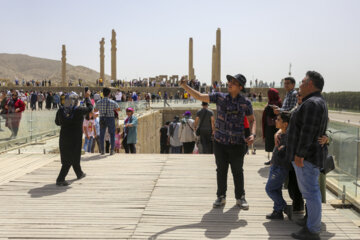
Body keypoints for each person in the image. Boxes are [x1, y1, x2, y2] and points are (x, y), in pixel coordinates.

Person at [179, 74, 256, 210]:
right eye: (229, 81)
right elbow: (200, 96)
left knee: (238, 171)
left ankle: (240, 197)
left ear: (240, 87)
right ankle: (221, 196)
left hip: (237, 143)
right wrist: (185, 86)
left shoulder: (246, 102)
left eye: (234, 82)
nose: (230, 83)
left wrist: (253, 134)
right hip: (220, 142)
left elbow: (252, 120)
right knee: (221, 170)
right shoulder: (220, 97)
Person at [287, 71, 328, 240]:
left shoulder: (312, 103)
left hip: (306, 158)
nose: (300, 84)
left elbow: (308, 132)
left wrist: (299, 154)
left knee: (311, 193)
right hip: (309, 157)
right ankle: (311, 224)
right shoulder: (317, 102)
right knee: (311, 193)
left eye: (303, 81)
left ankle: (312, 230)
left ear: (310, 84)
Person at [55, 90, 92, 186]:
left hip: (64, 137)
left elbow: (57, 122)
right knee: (69, 160)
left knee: (73, 156)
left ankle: (79, 173)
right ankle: (60, 179)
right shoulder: (78, 110)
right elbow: (90, 108)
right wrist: (87, 97)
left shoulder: (61, 110)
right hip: (75, 138)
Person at [265, 112, 293, 220]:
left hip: (281, 167)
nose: (275, 121)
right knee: (276, 189)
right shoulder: (281, 133)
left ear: (285, 124)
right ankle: (278, 211)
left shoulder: (289, 137)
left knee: (269, 189)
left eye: (278, 120)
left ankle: (285, 207)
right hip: (275, 165)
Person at [94, 87, 120, 155]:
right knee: (112, 134)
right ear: (109, 94)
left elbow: (95, 110)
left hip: (102, 118)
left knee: (102, 135)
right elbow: (118, 109)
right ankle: (111, 150)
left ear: (103, 94)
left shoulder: (99, 102)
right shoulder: (112, 102)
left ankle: (102, 150)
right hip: (111, 118)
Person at [262, 88, 282, 164]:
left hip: (272, 127)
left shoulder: (273, 104)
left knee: (274, 143)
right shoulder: (279, 102)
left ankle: (274, 161)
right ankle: (273, 160)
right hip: (275, 126)